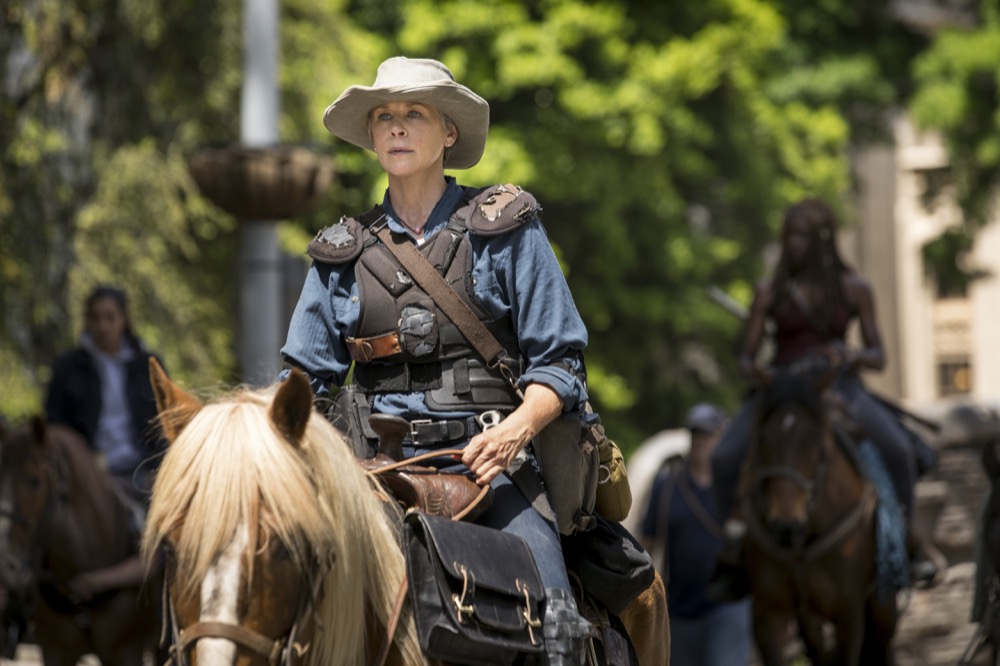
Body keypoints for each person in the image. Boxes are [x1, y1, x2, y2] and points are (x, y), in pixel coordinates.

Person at [280, 56, 599, 664]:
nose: (397, 128)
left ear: (448, 133)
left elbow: (560, 365)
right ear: (373, 136)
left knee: (557, 622)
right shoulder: (340, 254)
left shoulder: (505, 229)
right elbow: (300, 389)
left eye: (414, 114)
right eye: (385, 117)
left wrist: (514, 433)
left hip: (491, 470)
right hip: (373, 472)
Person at [709, 198, 937, 597]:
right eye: (789, 236)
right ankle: (734, 546)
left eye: (802, 236)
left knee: (899, 449)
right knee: (724, 457)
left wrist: (848, 354)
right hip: (781, 390)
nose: (793, 243)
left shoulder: (855, 289)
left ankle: (908, 542)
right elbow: (745, 357)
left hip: (839, 387)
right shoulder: (769, 292)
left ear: (823, 240)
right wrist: (759, 371)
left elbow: (878, 355)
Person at [44, 285, 165, 602]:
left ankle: (103, 583)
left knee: (164, 542)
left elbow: (165, 421)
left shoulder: (147, 365)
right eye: (95, 318)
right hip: (84, 474)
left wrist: (159, 467)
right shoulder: (68, 368)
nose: (102, 326)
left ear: (123, 320)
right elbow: (54, 429)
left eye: (110, 317)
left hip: (139, 472)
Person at [640, 403, 752, 666]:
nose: (700, 440)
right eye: (695, 433)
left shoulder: (737, 488)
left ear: (721, 437)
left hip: (726, 606)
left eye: (707, 434)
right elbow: (648, 541)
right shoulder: (665, 486)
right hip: (679, 608)